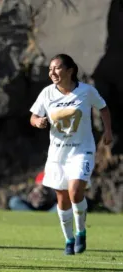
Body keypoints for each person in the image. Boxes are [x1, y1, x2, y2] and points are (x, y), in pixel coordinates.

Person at [30, 54, 113, 255]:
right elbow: (33, 116)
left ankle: (81, 232)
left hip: (82, 150)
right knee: (62, 198)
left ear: (70, 70)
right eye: (50, 69)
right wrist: (38, 122)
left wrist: (107, 131)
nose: (52, 73)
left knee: (75, 191)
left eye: (57, 68)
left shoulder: (86, 91)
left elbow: (103, 108)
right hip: (58, 155)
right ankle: (69, 239)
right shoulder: (47, 93)